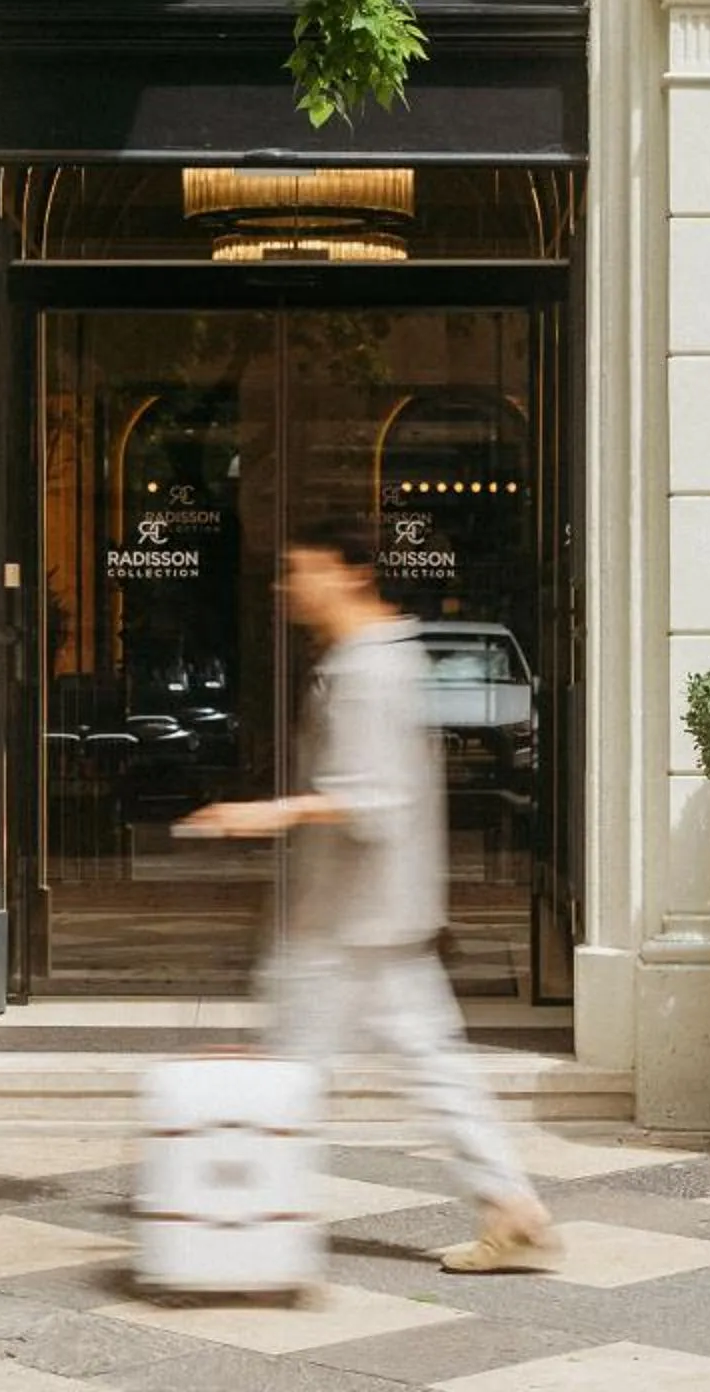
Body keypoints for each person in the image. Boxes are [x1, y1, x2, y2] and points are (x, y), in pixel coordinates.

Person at [180, 521, 560, 1275]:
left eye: (301, 570)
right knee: (430, 1064)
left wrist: (265, 813)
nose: (287, 586)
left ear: (349, 573)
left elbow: (374, 799)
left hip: (347, 918)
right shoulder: (382, 656)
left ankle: (245, 1226)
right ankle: (510, 1205)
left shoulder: (366, 670)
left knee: (293, 1068)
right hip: (378, 912)